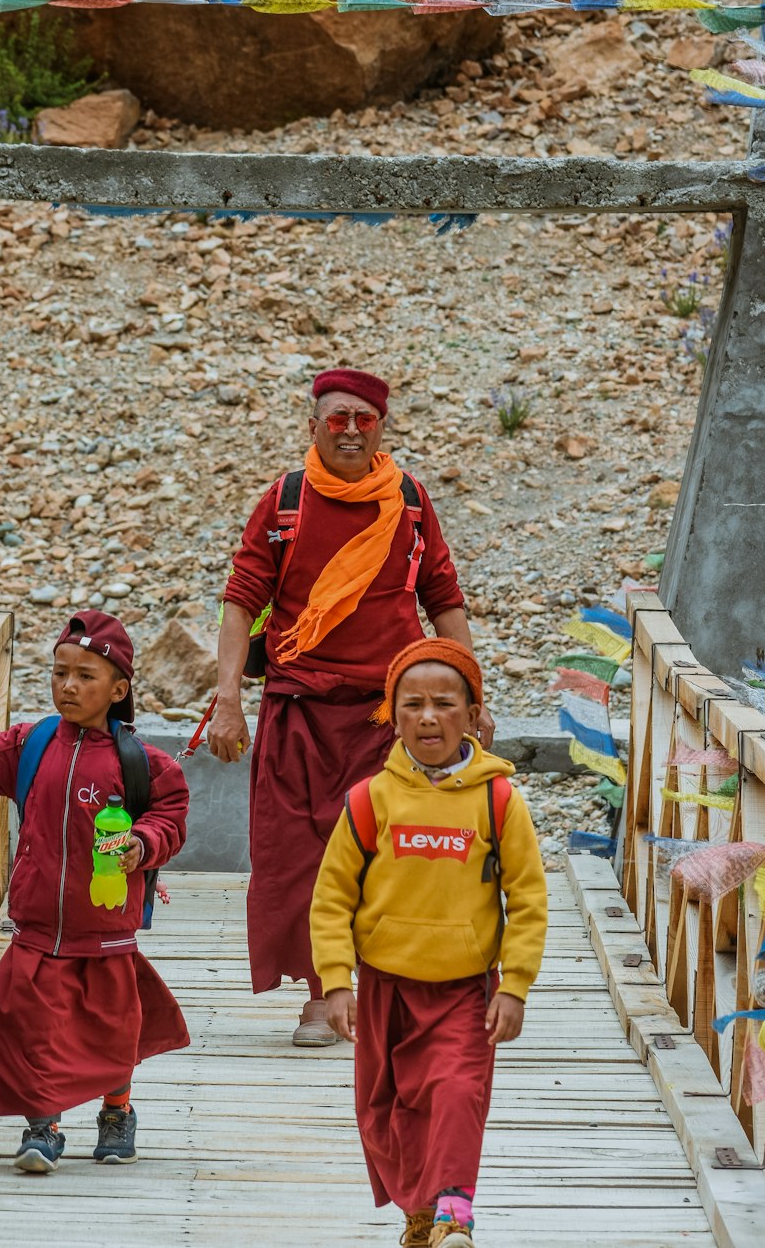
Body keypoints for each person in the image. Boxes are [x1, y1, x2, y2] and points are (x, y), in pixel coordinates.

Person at [208, 367, 494, 1044]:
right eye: (337, 419)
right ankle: (322, 995)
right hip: (298, 707)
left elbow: (444, 598)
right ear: (312, 427)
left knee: (393, 852)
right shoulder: (284, 502)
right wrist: (227, 697)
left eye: (364, 420)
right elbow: (242, 599)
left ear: (382, 430)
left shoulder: (410, 502)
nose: (350, 432)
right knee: (298, 854)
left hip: (388, 715)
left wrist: (473, 697)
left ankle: (391, 988)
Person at [0, 610, 190, 1174]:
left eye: (85, 676)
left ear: (118, 689)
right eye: (59, 673)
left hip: (104, 927)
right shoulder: (32, 745)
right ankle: (43, 1127)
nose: (68, 686)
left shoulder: (142, 763)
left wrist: (143, 846)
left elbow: (170, 817)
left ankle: (117, 1111)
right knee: (33, 1024)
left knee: (111, 1027)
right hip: (35, 926)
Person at [309, 638, 547, 1248]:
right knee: (385, 1114)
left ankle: (454, 1212)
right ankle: (423, 1213)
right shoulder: (371, 800)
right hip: (384, 988)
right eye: (412, 704)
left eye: (445, 703)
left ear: (473, 715)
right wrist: (337, 980)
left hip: (466, 989)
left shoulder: (498, 802)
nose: (429, 717)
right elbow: (332, 896)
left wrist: (515, 986)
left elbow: (527, 899)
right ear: (393, 714)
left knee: (457, 1093)